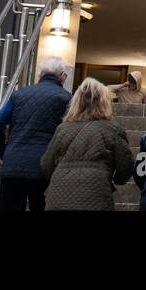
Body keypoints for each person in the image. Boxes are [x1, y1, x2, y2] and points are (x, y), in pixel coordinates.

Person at [0, 56, 71, 211]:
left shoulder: (19, 94)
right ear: (62, 76)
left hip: (13, 164)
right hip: (45, 167)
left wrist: (4, 152)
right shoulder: (66, 98)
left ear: (40, 75)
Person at [39, 77, 133, 210]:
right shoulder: (112, 129)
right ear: (104, 102)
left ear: (76, 102)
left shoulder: (62, 129)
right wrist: (115, 179)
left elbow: (46, 165)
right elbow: (126, 166)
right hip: (96, 194)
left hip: (58, 195)